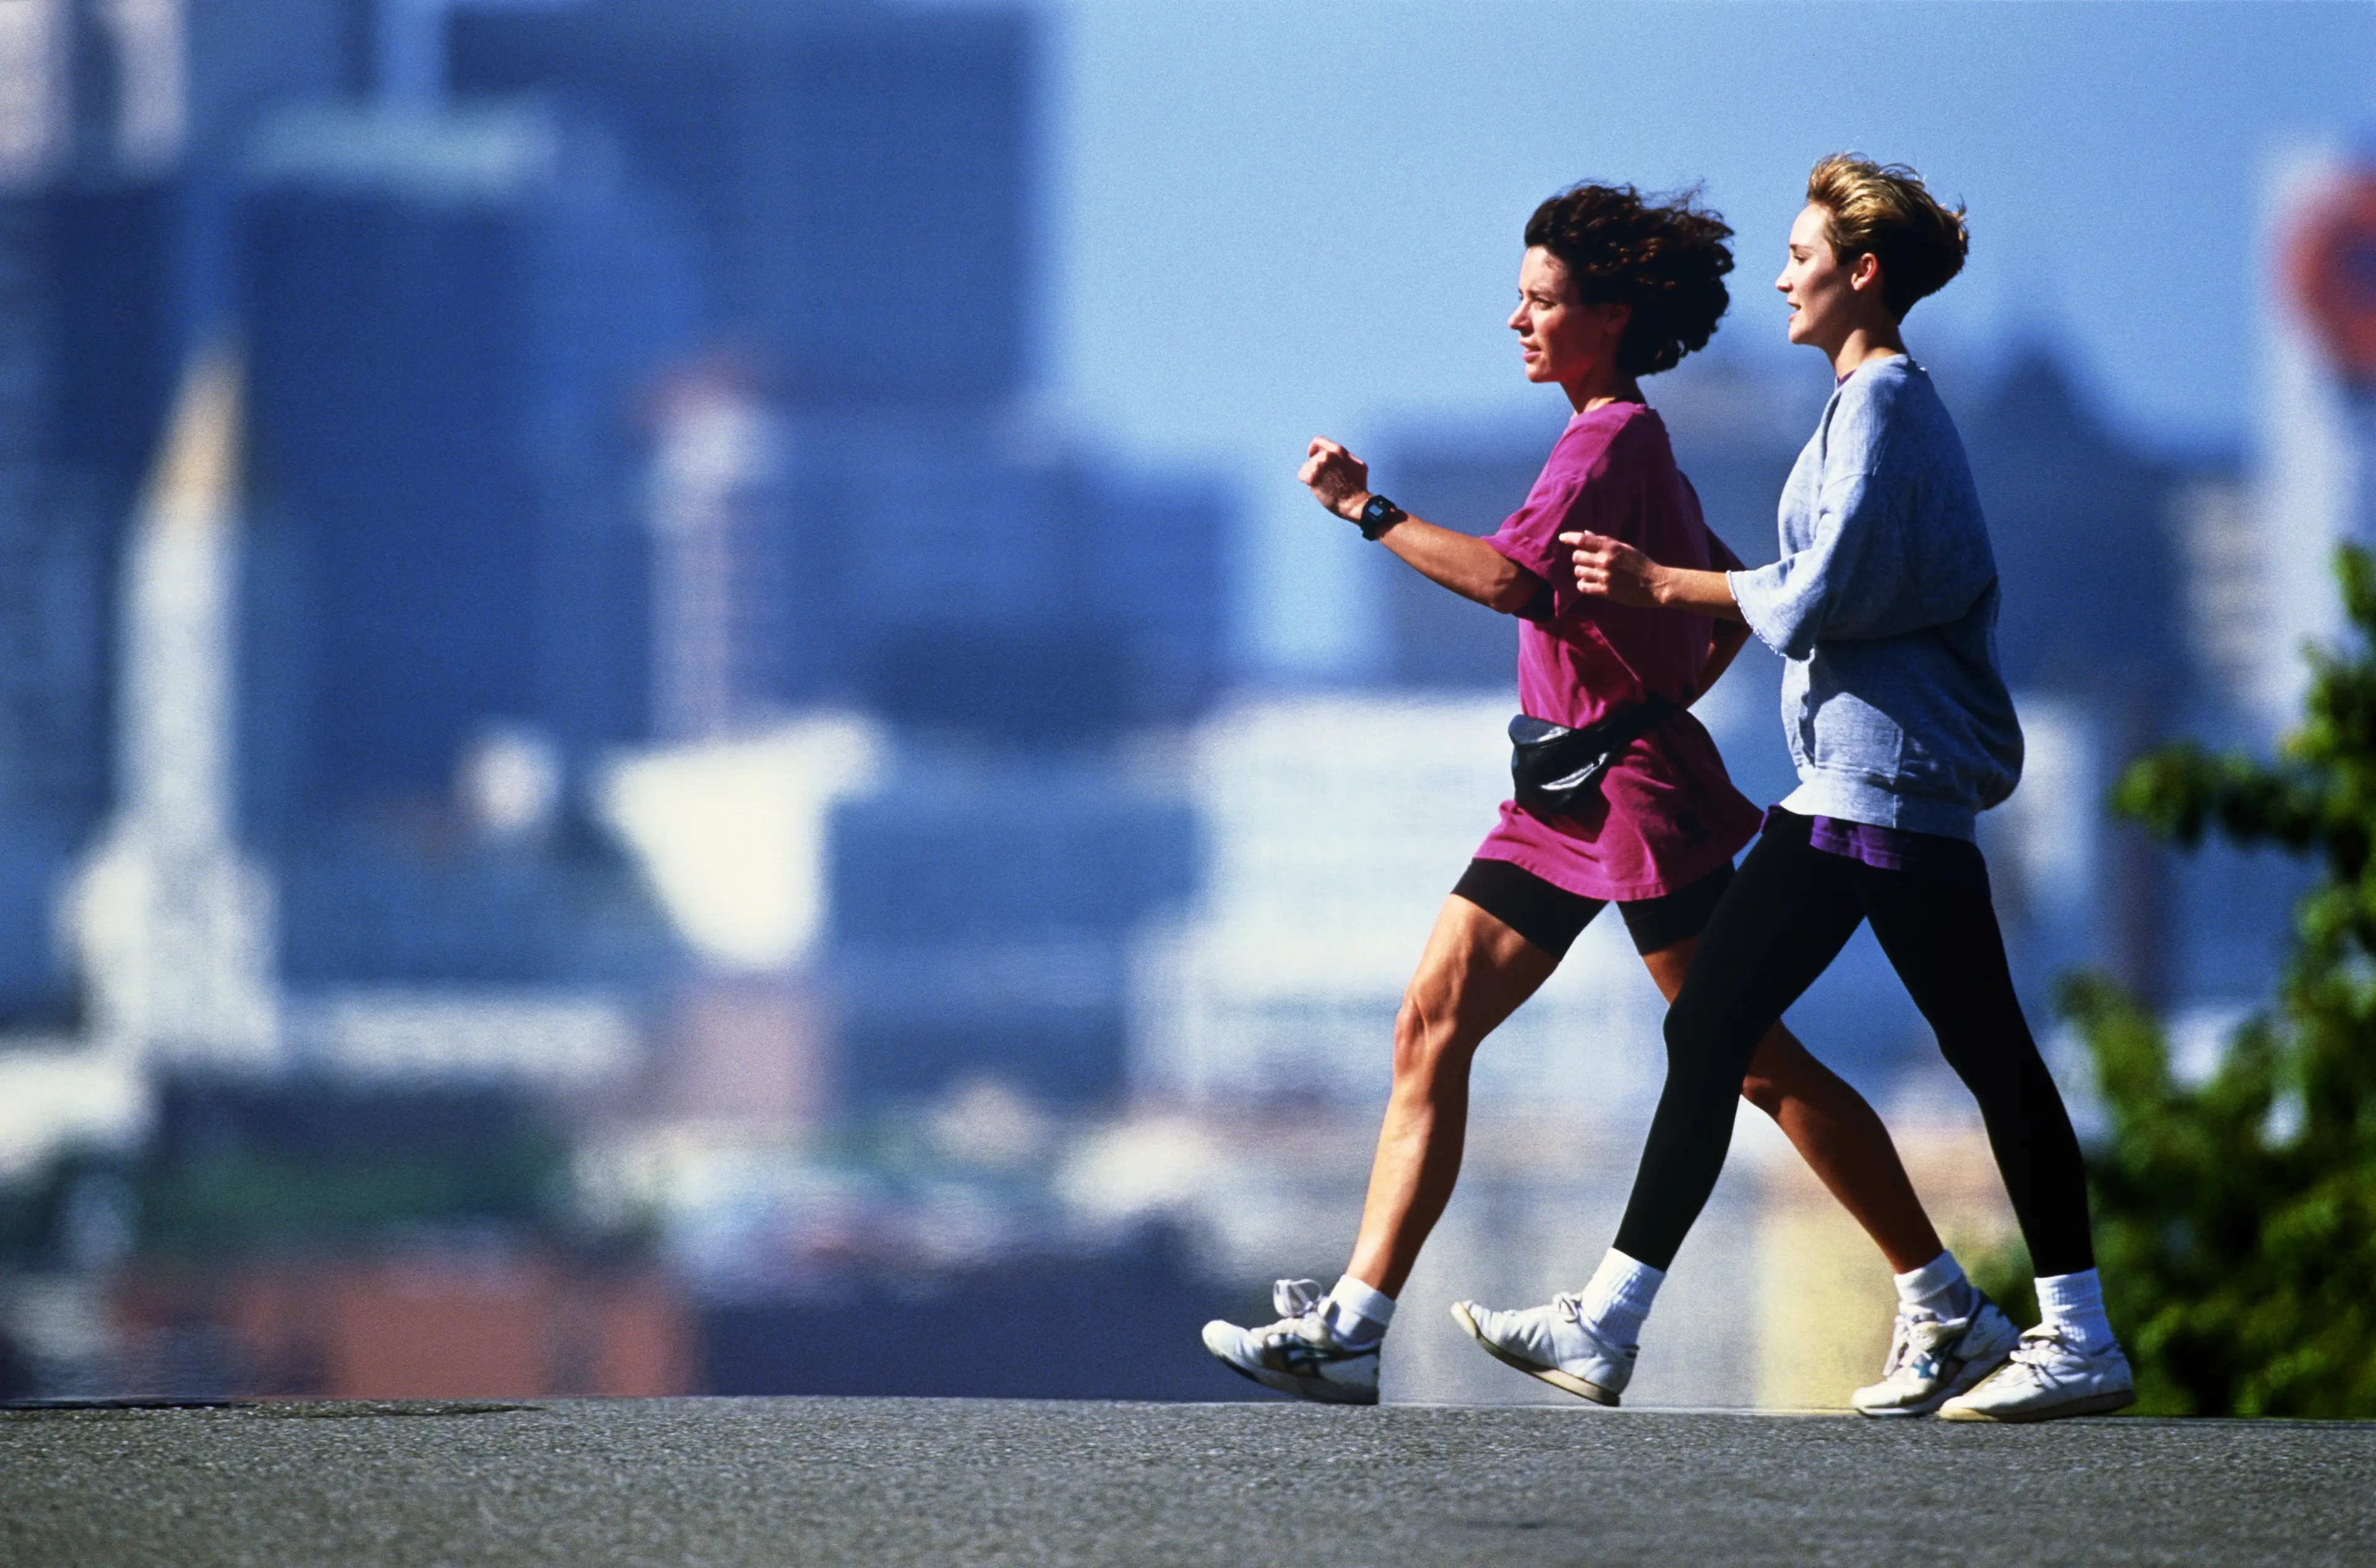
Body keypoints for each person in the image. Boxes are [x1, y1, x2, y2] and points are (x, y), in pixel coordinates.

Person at [1200, 182, 1994, 1410]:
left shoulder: (1615, 436)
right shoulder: (1618, 441)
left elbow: (1516, 583)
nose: (1516, 320)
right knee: (1430, 1024)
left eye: (1542, 300)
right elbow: (1725, 585)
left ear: (1611, 316)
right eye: (1519, 297)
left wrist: (1370, 511)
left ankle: (1943, 1296)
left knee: (1753, 1061)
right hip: (1559, 790)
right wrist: (1654, 677)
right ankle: (1355, 1323)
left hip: (1628, 800)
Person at [1486, 153, 2132, 1422]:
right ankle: (2030, 1324)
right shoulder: (1860, 405)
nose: (1783, 276)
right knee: (1941, 1047)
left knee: (1764, 1029)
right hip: (1870, 791)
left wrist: (1665, 584)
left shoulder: (1886, 404)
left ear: (1864, 274)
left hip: (1872, 793)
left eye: (1802, 255)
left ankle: (1618, 1321)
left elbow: (1822, 591)